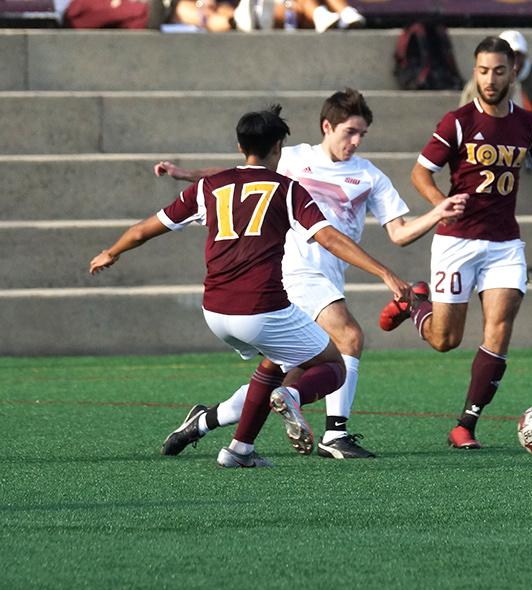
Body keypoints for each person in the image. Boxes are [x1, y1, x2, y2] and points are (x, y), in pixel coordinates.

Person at [89, 105, 410, 467]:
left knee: (274, 364)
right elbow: (329, 237)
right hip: (261, 309)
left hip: (214, 313)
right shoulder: (287, 189)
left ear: (241, 147)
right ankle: (297, 402)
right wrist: (384, 272)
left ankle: (239, 449)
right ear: (278, 148)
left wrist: (110, 252)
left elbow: (141, 230)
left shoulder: (209, 187)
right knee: (334, 364)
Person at [155, 89, 466, 459]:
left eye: (362, 134)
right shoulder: (293, 157)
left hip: (328, 277)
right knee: (349, 337)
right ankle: (335, 434)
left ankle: (204, 422)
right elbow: (238, 176)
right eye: (350, 131)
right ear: (327, 126)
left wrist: (437, 213)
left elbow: (399, 233)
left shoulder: (369, 176)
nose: (356, 141)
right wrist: (184, 174)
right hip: (294, 270)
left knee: (282, 377)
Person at [378, 36, 532, 449]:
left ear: (513, 72)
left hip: (504, 244)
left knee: (500, 328)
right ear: (475, 71)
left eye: (498, 71)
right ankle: (415, 303)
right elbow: (420, 173)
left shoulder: (529, 124)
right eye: (483, 71)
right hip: (457, 241)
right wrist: (440, 204)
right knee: (445, 340)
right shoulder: (458, 121)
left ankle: (465, 424)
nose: (489, 79)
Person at [458, 30, 532, 215]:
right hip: (493, 131)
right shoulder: (484, 83)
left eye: (518, 55)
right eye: (511, 56)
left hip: (526, 129)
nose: (516, 60)